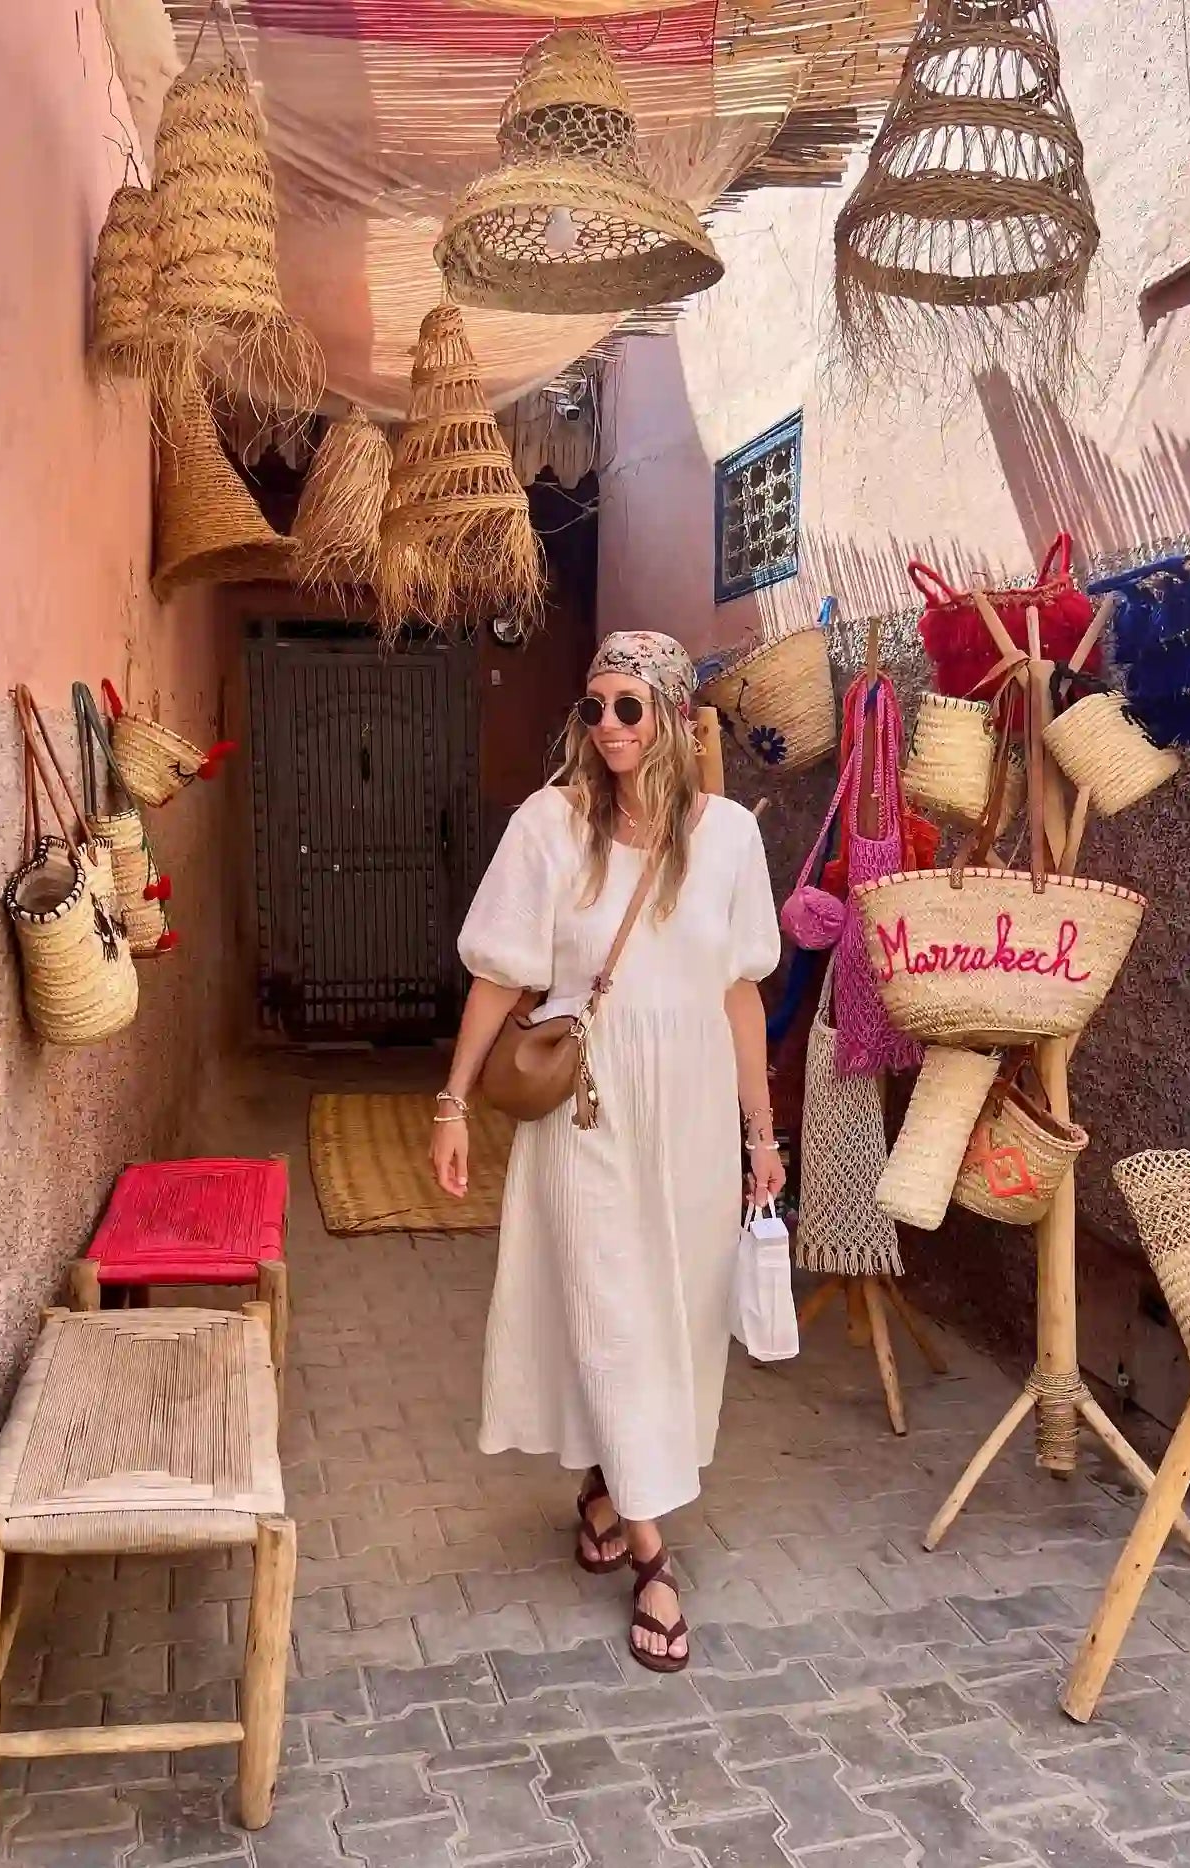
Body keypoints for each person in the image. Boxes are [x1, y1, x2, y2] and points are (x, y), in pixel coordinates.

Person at [430, 630, 784, 1672]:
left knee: (674, 1318)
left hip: (692, 1116)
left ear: (671, 715)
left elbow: (740, 996)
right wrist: (452, 1103)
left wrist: (761, 1132)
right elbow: (499, 976)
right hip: (587, 1108)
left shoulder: (729, 838)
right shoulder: (550, 824)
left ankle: (604, 1485)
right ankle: (655, 1557)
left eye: (630, 706)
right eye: (594, 707)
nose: (609, 726)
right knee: (611, 1309)